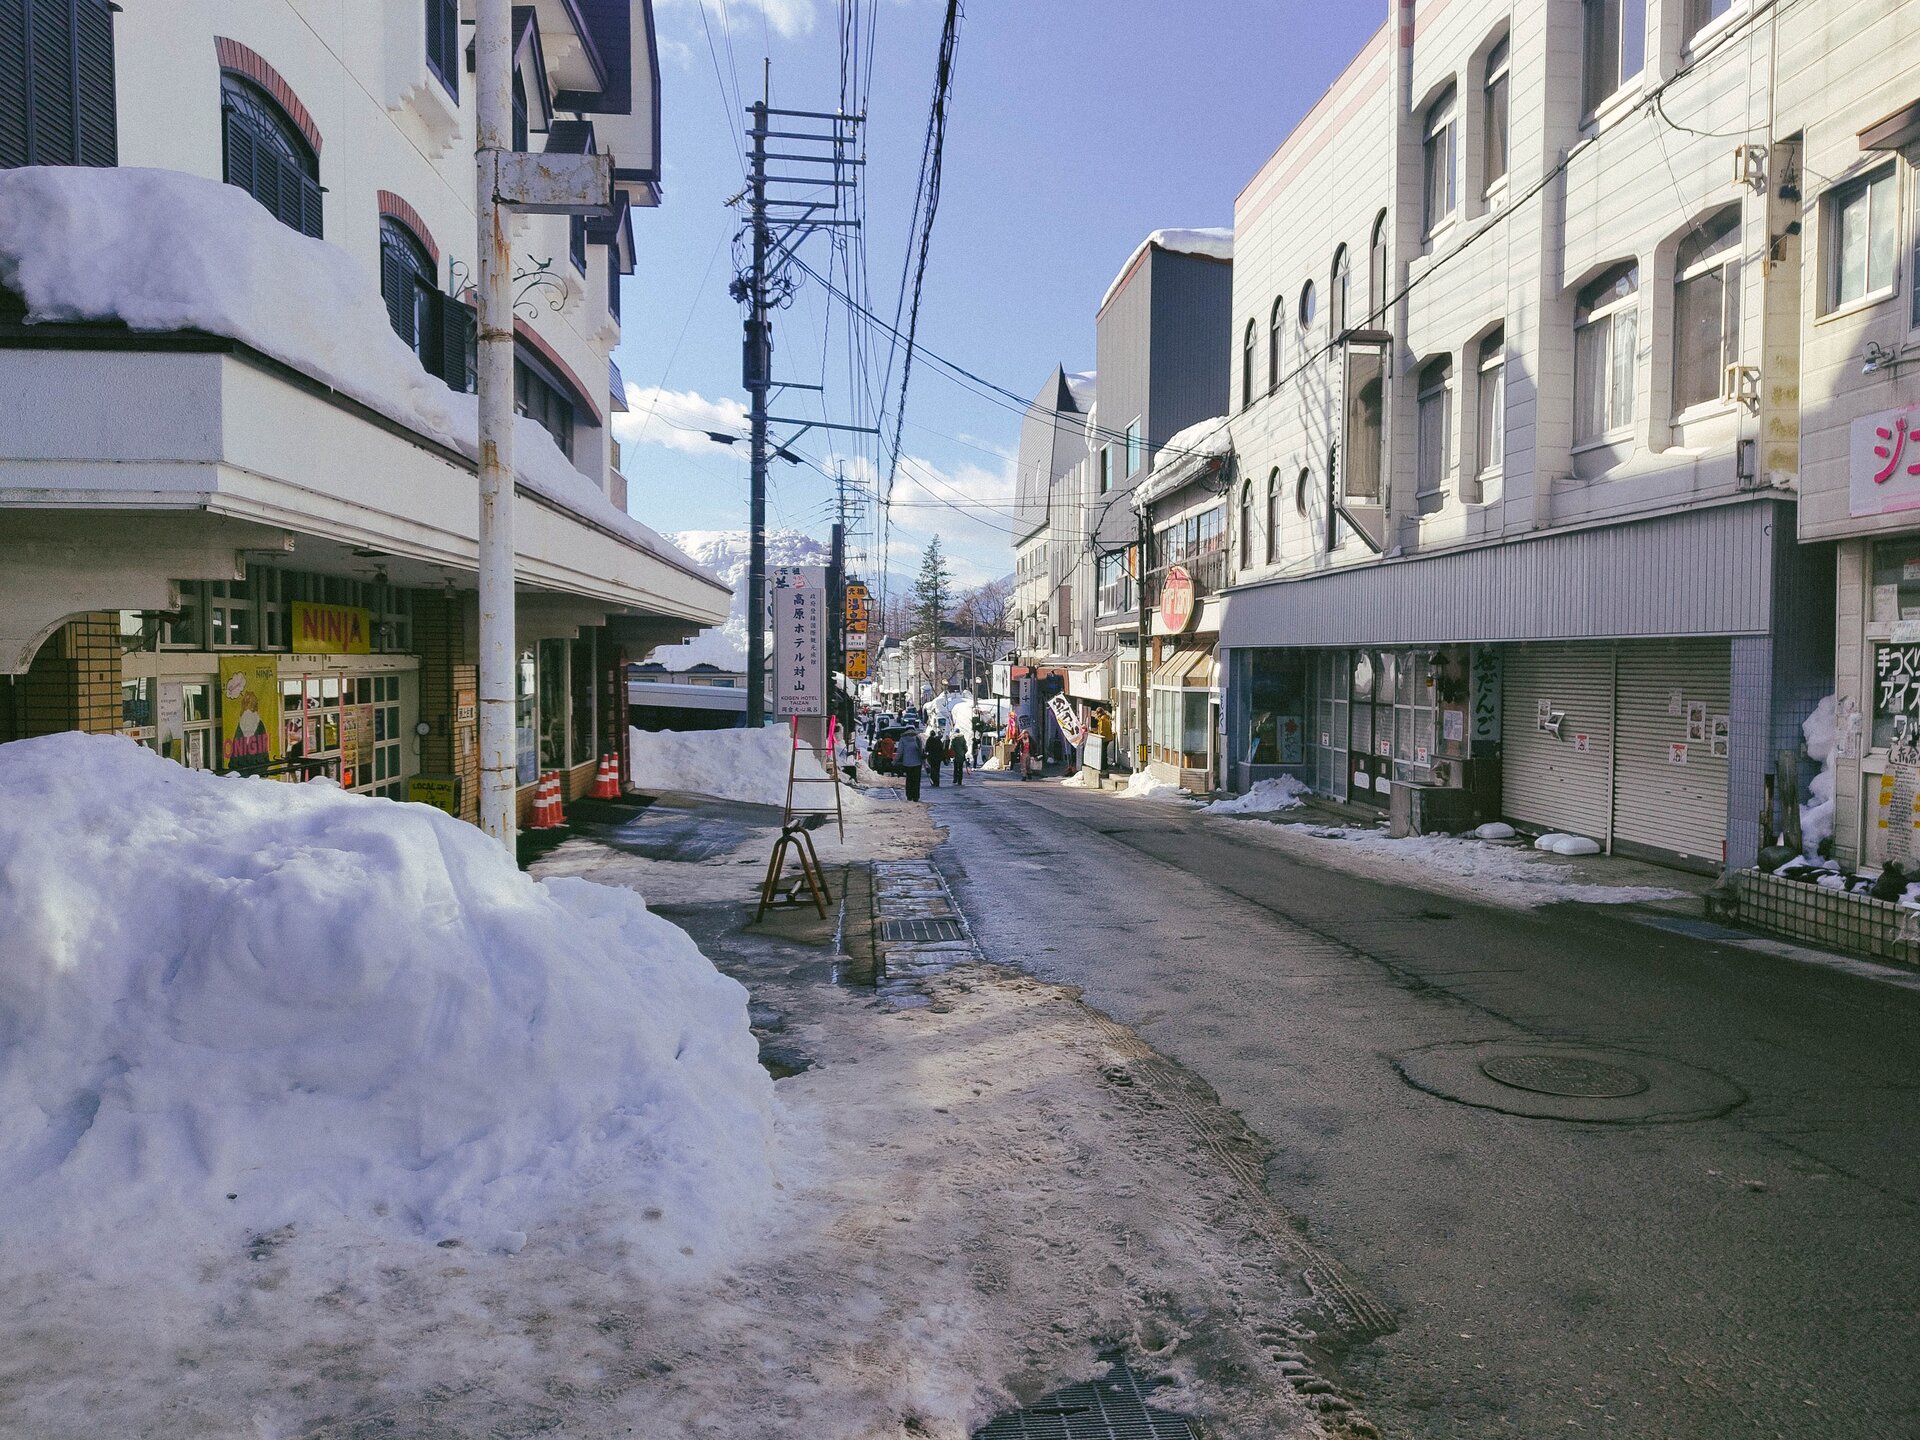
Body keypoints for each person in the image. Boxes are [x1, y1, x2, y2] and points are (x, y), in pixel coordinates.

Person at [896, 725, 923, 801]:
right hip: (917, 762)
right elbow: (921, 749)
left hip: (907, 763)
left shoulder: (903, 738)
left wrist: (895, 761)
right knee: (916, 780)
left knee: (909, 780)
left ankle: (909, 795)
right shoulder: (917, 738)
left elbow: (900, 751)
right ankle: (916, 796)